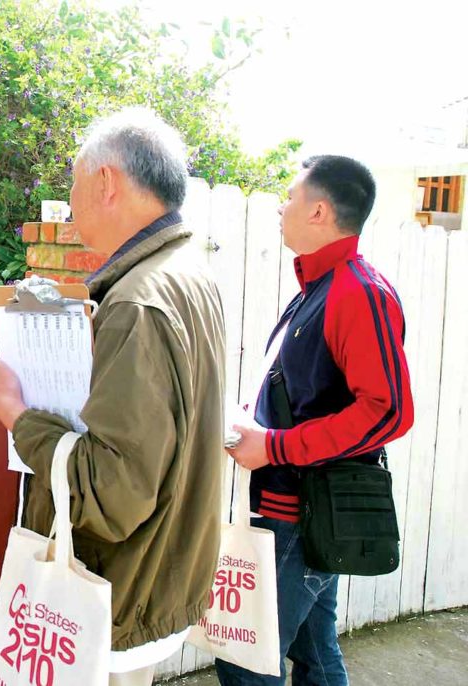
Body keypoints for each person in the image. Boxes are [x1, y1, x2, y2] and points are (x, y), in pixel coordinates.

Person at [0, 108, 227, 686]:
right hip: (160, 573)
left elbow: (111, 492)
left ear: (107, 181)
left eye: (74, 182)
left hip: (118, 590)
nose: (70, 200)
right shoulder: (186, 271)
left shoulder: (138, 303)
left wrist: (13, 411)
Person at [218, 155, 414, 685]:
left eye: (290, 197)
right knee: (316, 656)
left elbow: (388, 411)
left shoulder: (359, 292)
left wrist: (272, 446)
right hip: (292, 509)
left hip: (300, 516)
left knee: (245, 661)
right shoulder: (320, 289)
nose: (281, 207)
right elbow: (308, 394)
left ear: (320, 211)